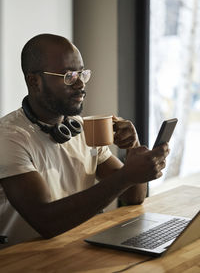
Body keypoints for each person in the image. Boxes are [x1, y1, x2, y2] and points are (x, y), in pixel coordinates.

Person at [0, 34, 169, 248]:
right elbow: (46, 221)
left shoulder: (81, 127)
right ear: (34, 81)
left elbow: (134, 196)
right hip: (26, 261)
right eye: (68, 75)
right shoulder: (9, 137)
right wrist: (127, 175)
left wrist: (133, 150)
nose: (80, 83)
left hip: (77, 249)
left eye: (82, 73)